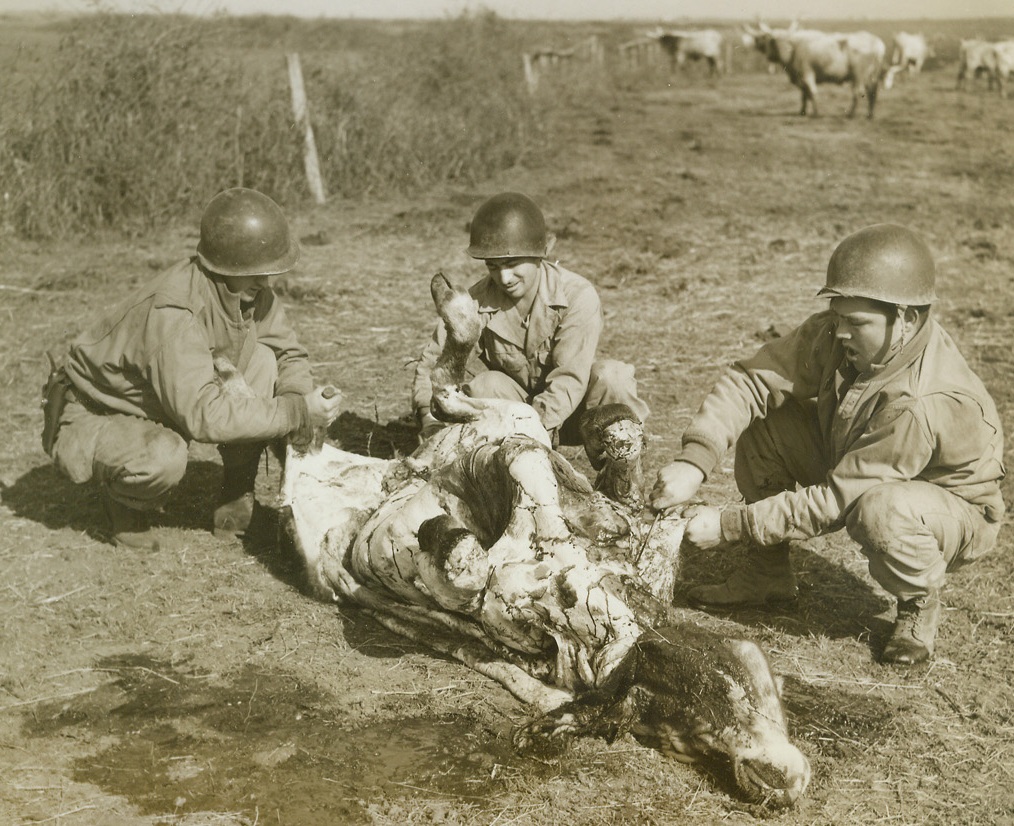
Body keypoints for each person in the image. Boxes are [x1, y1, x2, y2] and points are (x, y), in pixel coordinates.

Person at [649, 224, 1005, 666]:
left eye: (856, 322)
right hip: (863, 459)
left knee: (881, 509)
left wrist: (729, 525)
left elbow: (840, 499)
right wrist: (694, 462)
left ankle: (917, 608)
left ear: (906, 320)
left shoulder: (921, 401)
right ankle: (767, 576)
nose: (840, 334)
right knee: (768, 424)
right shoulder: (842, 335)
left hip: (950, 509)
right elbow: (751, 380)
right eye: (837, 317)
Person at [43, 187, 343, 551]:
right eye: (257, 272)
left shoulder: (247, 289)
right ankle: (123, 502)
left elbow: (288, 353)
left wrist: (296, 397)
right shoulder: (175, 313)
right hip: (97, 411)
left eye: (269, 272)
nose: (266, 282)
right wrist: (295, 412)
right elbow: (206, 416)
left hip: (160, 401)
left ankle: (235, 499)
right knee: (163, 457)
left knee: (263, 360)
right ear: (225, 266)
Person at [411, 191, 649, 470]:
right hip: (519, 413)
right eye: (493, 266)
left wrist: (537, 429)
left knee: (613, 377)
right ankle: (509, 476)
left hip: (579, 415)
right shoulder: (476, 302)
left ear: (542, 253)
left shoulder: (577, 295)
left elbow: (569, 378)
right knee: (486, 386)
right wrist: (429, 418)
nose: (504, 278)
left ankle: (623, 476)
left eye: (513, 264)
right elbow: (434, 363)